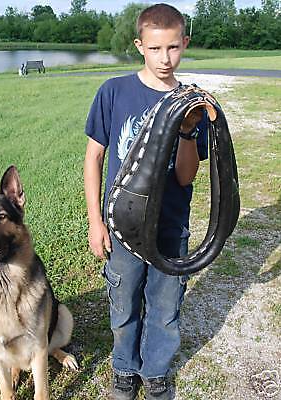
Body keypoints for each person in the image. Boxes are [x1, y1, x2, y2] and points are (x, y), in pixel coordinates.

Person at [84, 4, 208, 400]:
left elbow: (186, 177)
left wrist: (188, 132)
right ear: (140, 45)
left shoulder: (190, 103)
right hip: (122, 224)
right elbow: (94, 158)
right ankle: (124, 368)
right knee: (123, 304)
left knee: (165, 306)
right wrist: (95, 221)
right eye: (155, 49)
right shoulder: (113, 92)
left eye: (173, 48)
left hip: (170, 226)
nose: (164, 58)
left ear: (184, 44)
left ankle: (155, 371)